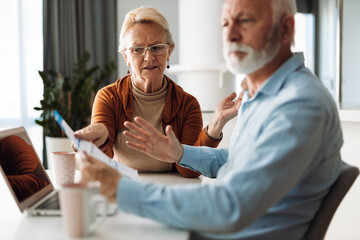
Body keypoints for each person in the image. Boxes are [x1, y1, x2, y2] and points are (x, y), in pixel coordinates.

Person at [79, 0, 343, 239]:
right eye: (225, 23)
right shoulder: (262, 94)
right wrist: (180, 152)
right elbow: (240, 160)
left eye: (246, 20)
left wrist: (122, 191)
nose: (230, 35)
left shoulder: (298, 105)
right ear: (126, 55)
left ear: (286, 30)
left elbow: (229, 207)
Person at [74, 6, 242, 178]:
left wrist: (216, 124)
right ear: (126, 57)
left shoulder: (187, 104)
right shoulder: (109, 97)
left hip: (173, 190)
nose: (148, 57)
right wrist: (99, 136)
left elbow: (189, 170)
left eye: (156, 48)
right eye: (137, 49)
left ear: (169, 51)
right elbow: (104, 157)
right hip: (124, 187)